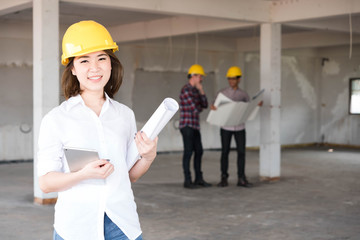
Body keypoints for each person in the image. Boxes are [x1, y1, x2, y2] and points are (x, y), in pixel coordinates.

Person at [37, 20, 158, 240]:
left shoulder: (124, 115)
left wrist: (148, 157)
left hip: (123, 224)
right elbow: (45, 183)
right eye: (84, 60)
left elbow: (128, 176)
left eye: (102, 58)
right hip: (76, 226)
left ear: (111, 64)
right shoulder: (56, 119)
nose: (95, 68)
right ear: (72, 68)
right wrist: (84, 174)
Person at [211, 66, 252, 188]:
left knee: (241, 152)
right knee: (225, 152)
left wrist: (255, 105)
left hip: (240, 127)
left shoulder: (243, 95)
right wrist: (213, 107)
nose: (231, 81)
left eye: (233, 79)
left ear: (239, 79)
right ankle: (224, 178)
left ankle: (241, 177)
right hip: (226, 127)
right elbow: (215, 106)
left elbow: (247, 109)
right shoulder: (222, 93)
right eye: (229, 79)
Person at [179, 64, 212, 189]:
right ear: (193, 76)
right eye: (200, 76)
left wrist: (201, 91)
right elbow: (195, 109)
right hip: (187, 126)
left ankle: (199, 179)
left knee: (199, 151)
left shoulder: (196, 90)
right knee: (188, 152)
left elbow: (204, 105)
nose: (201, 79)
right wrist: (198, 105)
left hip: (195, 126)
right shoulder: (186, 90)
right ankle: (187, 181)